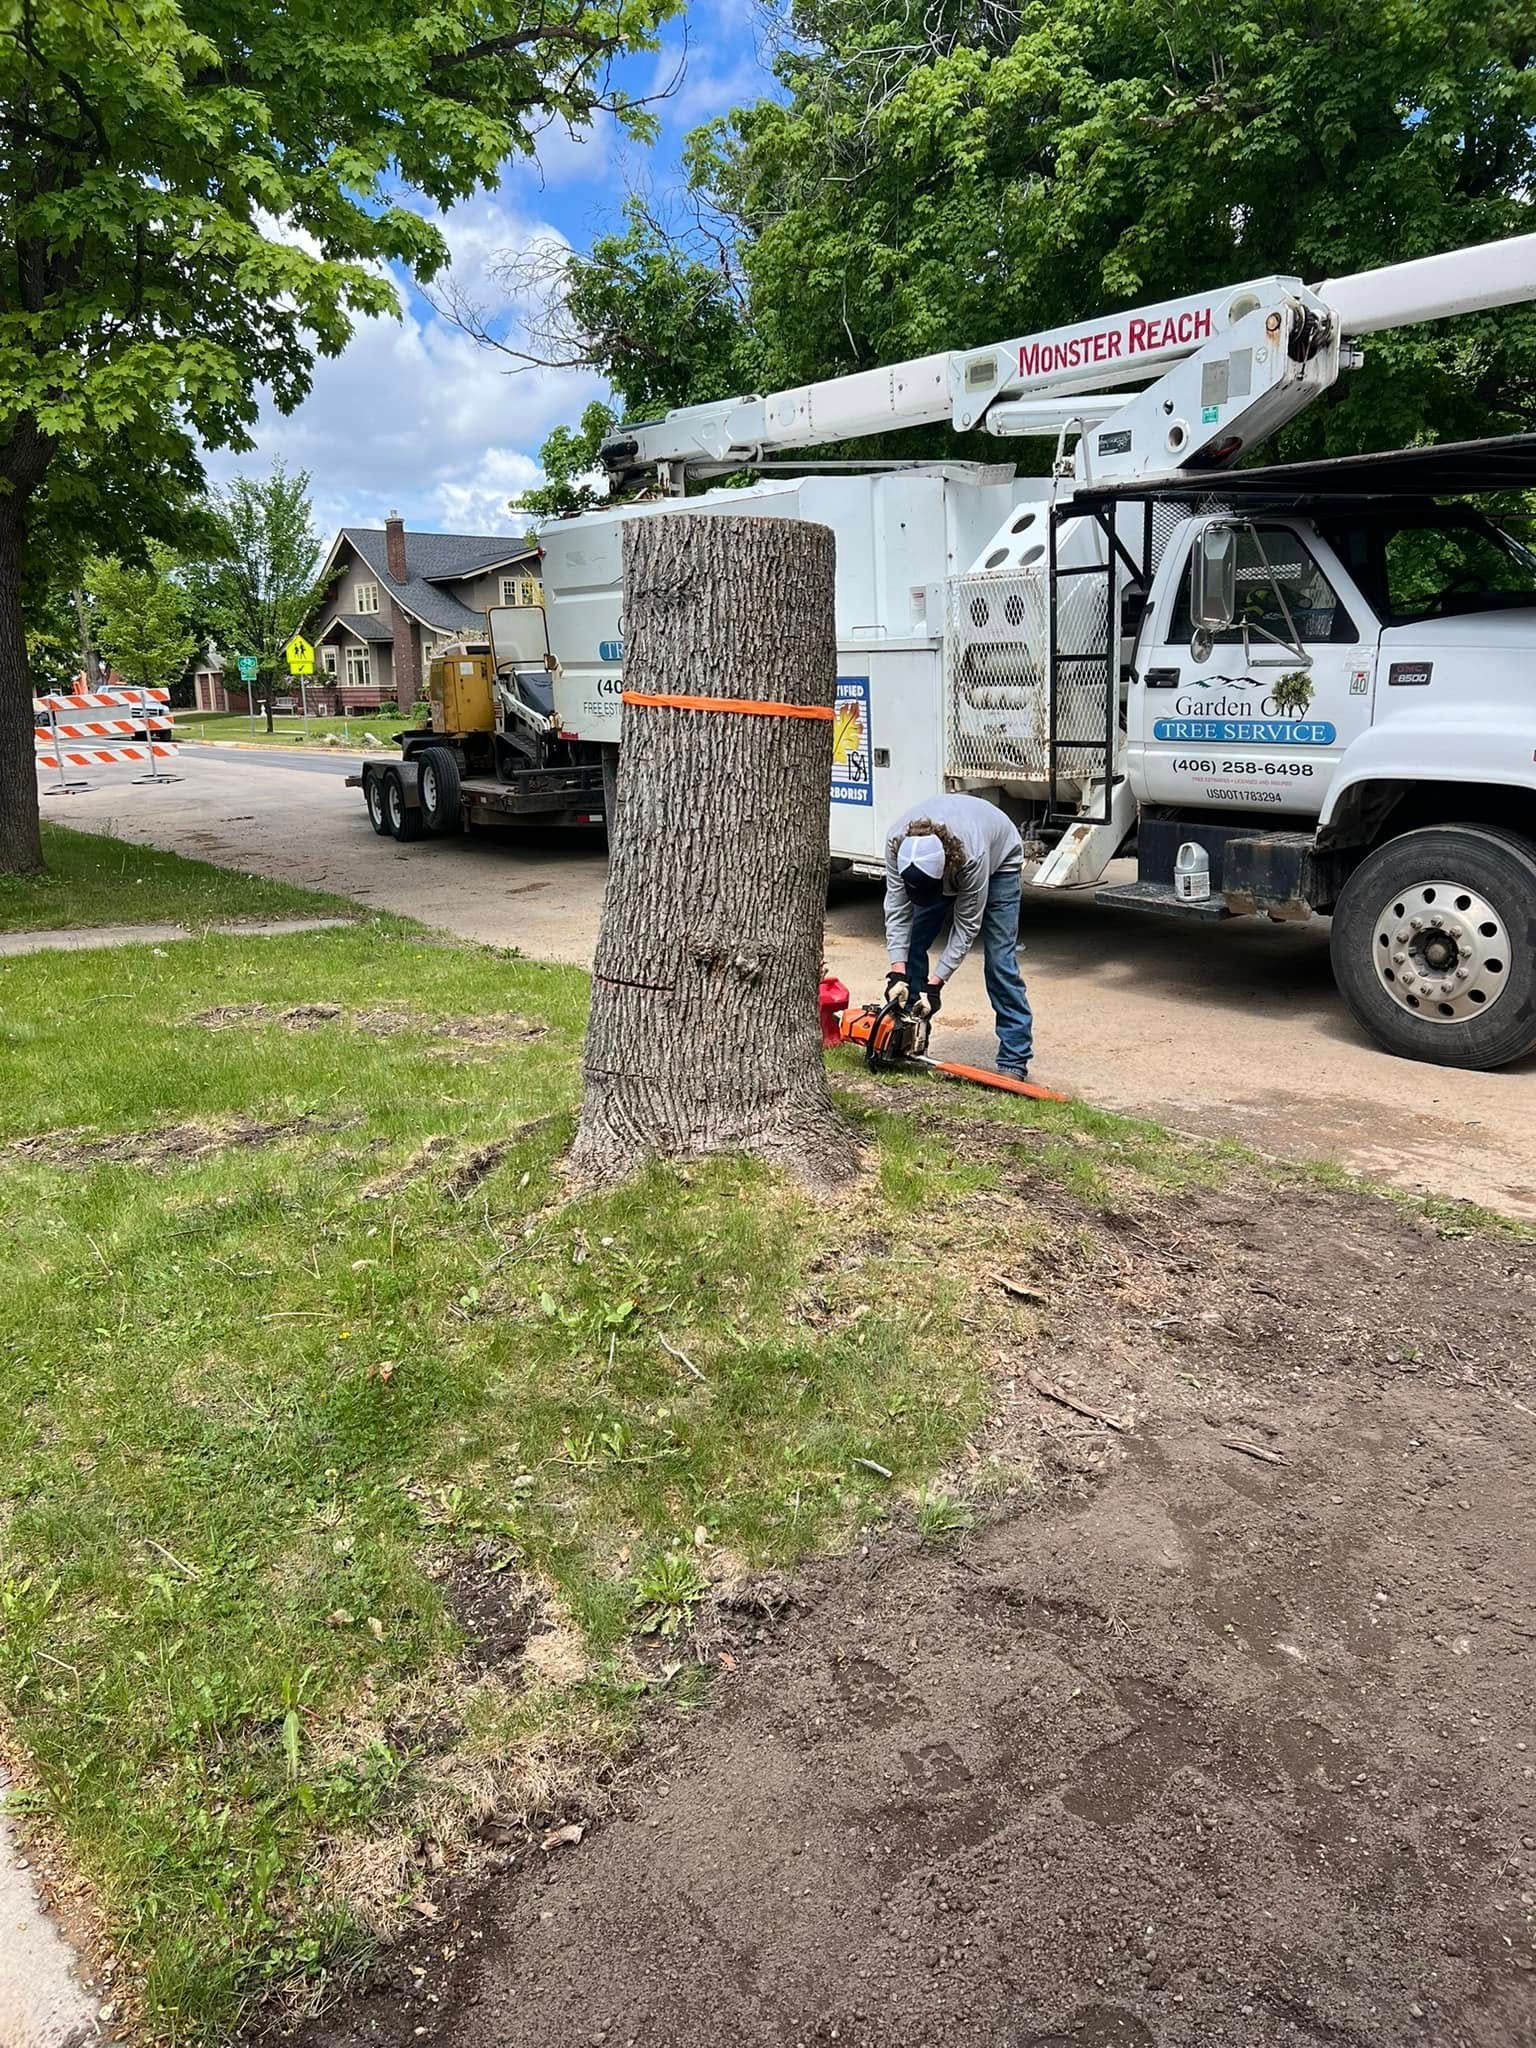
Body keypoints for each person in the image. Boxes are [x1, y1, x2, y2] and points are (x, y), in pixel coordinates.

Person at [882, 791, 1034, 1080]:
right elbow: (897, 911)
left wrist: (935, 985)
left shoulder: (971, 856)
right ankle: (910, 1036)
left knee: (999, 960)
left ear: (944, 871)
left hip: (999, 860)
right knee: (913, 942)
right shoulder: (895, 843)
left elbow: (966, 927)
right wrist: (897, 973)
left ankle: (1014, 1058)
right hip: (949, 859)